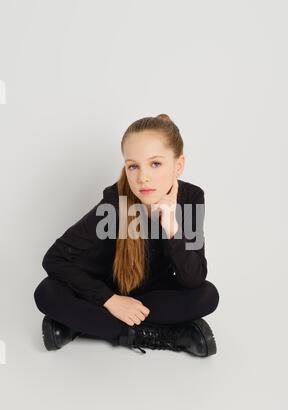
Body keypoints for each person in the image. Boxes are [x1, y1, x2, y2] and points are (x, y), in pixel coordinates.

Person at [34, 114, 220, 356]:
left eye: (155, 164)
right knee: (47, 292)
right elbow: (54, 258)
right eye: (133, 166)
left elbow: (193, 278)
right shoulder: (114, 203)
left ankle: (78, 327)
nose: (142, 177)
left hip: (150, 294)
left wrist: (173, 227)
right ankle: (165, 335)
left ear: (179, 165)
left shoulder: (191, 199)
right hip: (106, 289)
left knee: (207, 295)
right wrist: (111, 301)